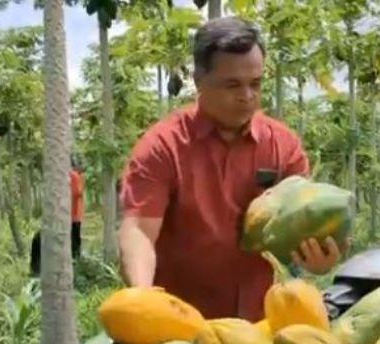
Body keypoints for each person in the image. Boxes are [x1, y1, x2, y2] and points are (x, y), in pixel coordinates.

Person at [118, 17, 346, 321]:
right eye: (232, 85)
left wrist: (319, 261)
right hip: (179, 325)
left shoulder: (283, 145)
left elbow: (304, 221)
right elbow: (139, 232)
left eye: (256, 83)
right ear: (199, 80)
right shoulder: (162, 147)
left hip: (260, 322)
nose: (247, 96)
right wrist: (143, 299)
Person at [29, 159, 85, 276]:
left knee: (73, 245)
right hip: (63, 217)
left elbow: (77, 193)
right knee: (40, 240)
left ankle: (75, 271)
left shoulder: (72, 176)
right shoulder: (63, 177)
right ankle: (38, 269)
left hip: (71, 218)